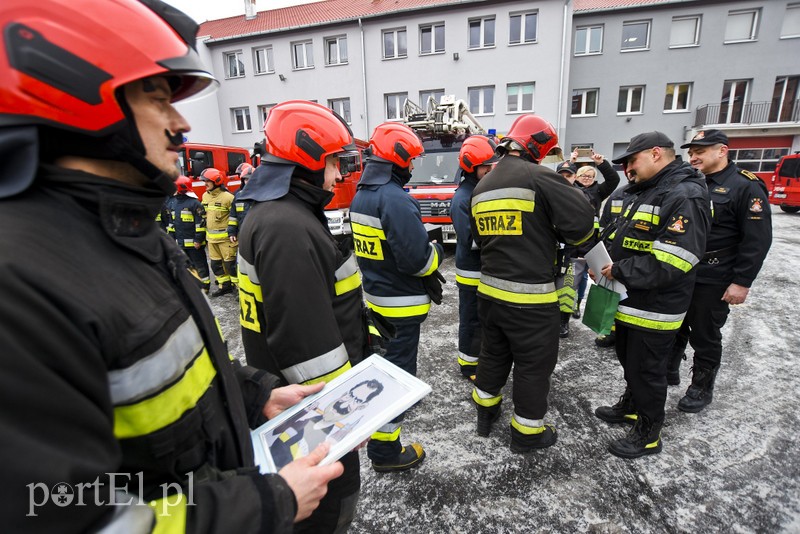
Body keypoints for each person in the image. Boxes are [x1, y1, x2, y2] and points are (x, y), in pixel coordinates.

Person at [0, 1, 344, 531]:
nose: (181, 122)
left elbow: (165, 371)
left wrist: (254, 394)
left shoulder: (122, 234)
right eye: (159, 99)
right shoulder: (18, 284)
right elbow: (59, 515)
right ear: (72, 98)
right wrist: (268, 503)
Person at [238, 100, 368, 531]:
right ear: (309, 156)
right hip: (314, 417)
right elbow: (307, 345)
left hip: (297, 408)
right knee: (329, 511)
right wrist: (346, 414)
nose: (338, 175)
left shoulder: (279, 215)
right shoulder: (287, 227)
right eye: (334, 163)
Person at [468, 115, 595, 450]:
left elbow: (480, 240)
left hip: (490, 293)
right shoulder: (539, 176)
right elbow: (582, 226)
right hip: (531, 298)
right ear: (537, 145)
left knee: (493, 355)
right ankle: (526, 435)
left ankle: (485, 414)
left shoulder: (482, 186)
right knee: (532, 367)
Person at [594, 132, 710, 459]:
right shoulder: (640, 192)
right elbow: (617, 237)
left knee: (648, 370)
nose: (628, 168)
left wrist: (618, 270)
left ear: (656, 153)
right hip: (629, 300)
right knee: (631, 363)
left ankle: (648, 431)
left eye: (632, 160)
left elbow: (675, 260)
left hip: (656, 308)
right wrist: (601, 263)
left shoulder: (684, 195)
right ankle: (632, 405)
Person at [349, 122, 444, 472]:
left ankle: (384, 437)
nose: (414, 166)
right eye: (412, 160)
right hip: (402, 306)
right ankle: (386, 452)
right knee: (397, 376)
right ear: (398, 159)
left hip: (378, 298)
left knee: (386, 368)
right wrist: (436, 253)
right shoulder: (394, 199)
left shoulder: (362, 195)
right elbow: (417, 259)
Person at [668, 129, 772, 410]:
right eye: (691, 152)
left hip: (715, 274)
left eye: (700, 151)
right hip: (683, 270)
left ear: (722, 150)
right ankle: (670, 370)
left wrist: (742, 282)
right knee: (675, 324)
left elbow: (757, 240)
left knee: (704, 333)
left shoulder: (746, 186)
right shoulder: (690, 182)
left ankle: (701, 386)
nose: (693, 157)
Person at [451, 136, 499, 379]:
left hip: (482, 269)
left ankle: (477, 358)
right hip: (471, 271)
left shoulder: (477, 191)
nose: (491, 170)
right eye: (486, 166)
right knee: (471, 320)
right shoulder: (463, 198)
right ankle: (468, 365)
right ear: (473, 167)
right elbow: (470, 238)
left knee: (482, 320)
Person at [268, 380, 385, 470]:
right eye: (350, 395)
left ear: (361, 406)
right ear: (345, 392)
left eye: (357, 400)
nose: (344, 404)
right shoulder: (304, 418)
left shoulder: (331, 439)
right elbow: (274, 433)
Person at [565, 152, 621, 332]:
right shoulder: (569, 189)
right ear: (577, 177)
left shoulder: (599, 191)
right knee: (569, 278)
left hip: (592, 242)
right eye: (583, 175)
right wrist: (572, 162)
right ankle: (563, 318)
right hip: (573, 241)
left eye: (590, 176)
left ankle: (580, 306)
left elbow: (613, 180)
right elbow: (563, 177)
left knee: (589, 278)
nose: (587, 178)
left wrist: (602, 163)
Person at [170, 175, 211, 293]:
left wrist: (198, 240)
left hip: (194, 244)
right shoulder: (173, 203)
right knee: (187, 266)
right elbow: (172, 224)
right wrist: (172, 240)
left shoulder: (195, 203)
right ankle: (194, 286)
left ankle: (205, 286)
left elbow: (201, 224)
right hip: (181, 242)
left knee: (200, 265)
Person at [201, 167, 237, 297]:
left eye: (207, 181)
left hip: (226, 240)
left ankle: (237, 288)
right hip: (211, 239)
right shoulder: (205, 196)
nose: (204, 184)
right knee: (216, 265)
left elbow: (235, 217)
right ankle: (224, 286)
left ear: (216, 181)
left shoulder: (228, 197)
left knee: (230, 265)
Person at [228, 161, 255, 244]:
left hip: (259, 235)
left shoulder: (264, 196)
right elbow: (233, 217)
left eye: (251, 179)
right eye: (246, 179)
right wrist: (232, 233)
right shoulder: (238, 196)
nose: (248, 181)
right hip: (243, 234)